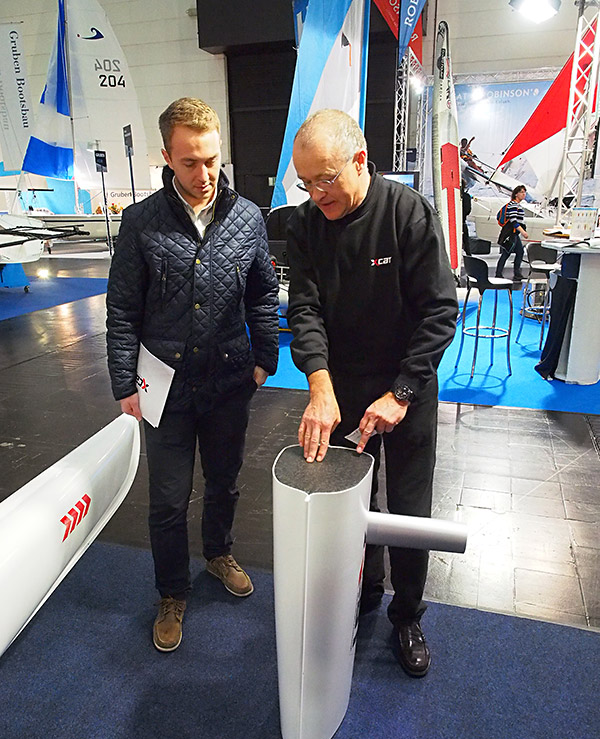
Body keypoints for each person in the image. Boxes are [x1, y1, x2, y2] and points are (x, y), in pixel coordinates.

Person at [286, 109, 458, 678]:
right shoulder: (306, 224)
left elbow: (438, 312)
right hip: (340, 387)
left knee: (408, 509)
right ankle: (362, 592)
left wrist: (402, 393)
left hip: (405, 387)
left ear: (360, 162)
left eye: (326, 179)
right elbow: (304, 309)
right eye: (305, 181)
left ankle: (407, 614)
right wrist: (318, 384)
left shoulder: (408, 214)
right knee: (344, 504)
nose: (316, 193)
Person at [106, 97, 279, 652]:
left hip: (230, 382)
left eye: (210, 160)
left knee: (225, 481)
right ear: (166, 157)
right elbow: (123, 308)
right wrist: (123, 382)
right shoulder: (140, 223)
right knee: (168, 500)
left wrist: (263, 361)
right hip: (165, 387)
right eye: (189, 163)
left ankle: (219, 552)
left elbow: (263, 295)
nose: (203, 175)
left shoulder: (248, 217)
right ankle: (171, 593)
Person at [495, 184, 529, 281]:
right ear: (516, 194)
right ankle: (499, 274)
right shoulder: (513, 205)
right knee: (506, 253)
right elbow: (513, 220)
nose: (524, 194)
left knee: (519, 252)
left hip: (514, 234)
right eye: (521, 192)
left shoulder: (516, 205)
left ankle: (516, 273)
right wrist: (523, 232)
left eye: (524, 192)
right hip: (511, 234)